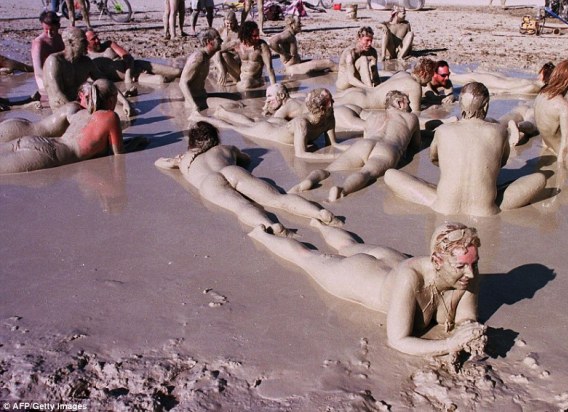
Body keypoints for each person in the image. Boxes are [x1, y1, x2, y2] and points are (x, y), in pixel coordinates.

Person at [248, 220, 487, 357]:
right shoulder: (410, 278)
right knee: (306, 256)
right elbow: (398, 340)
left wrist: (470, 332)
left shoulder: (467, 269)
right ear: (437, 261)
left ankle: (318, 224)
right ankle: (261, 234)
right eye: (461, 267)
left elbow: (466, 317)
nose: (470, 273)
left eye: (473, 264)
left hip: (390, 259)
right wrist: (448, 345)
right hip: (358, 275)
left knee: (348, 245)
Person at [384, 82, 545, 217]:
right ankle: (496, 191)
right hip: (486, 208)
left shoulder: (443, 130)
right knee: (540, 178)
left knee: (390, 174)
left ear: (460, 104)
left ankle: (444, 191)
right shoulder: (499, 131)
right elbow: (501, 163)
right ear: (486, 106)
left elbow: (434, 160)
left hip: (443, 204)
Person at [154, 121, 341, 235]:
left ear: (192, 142)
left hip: (209, 183)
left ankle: (271, 226)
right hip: (231, 170)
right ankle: (319, 214)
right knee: (278, 198)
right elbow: (247, 159)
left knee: (241, 207)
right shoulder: (225, 149)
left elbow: (159, 162)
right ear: (214, 138)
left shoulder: (185, 159)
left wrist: (178, 160)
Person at [291, 90, 421, 202]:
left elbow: (366, 135)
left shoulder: (372, 116)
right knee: (366, 173)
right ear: (399, 103)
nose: (409, 107)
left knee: (329, 170)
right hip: (387, 149)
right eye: (408, 103)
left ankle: (307, 182)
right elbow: (416, 145)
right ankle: (342, 190)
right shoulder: (411, 118)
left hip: (364, 144)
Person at [0, 79, 126, 174]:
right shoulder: (110, 117)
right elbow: (118, 154)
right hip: (49, 154)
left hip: (35, 140)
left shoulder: (81, 113)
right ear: (111, 100)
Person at [197, 88, 339, 159]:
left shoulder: (329, 118)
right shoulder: (302, 123)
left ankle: (223, 113)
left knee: (250, 122)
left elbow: (333, 144)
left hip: (281, 124)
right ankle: (199, 117)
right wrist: (331, 157)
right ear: (321, 108)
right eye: (329, 102)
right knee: (233, 127)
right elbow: (300, 154)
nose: (333, 104)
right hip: (267, 131)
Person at [43, 28, 133, 117]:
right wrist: (78, 114)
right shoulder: (54, 61)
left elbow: (106, 83)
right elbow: (58, 94)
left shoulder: (86, 62)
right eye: (83, 41)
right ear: (70, 43)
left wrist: (124, 101)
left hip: (82, 106)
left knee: (125, 113)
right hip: (62, 112)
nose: (87, 44)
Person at [86, 29, 182, 91]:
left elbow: (128, 57)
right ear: (86, 42)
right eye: (93, 39)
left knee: (177, 71)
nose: (97, 40)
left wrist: (128, 75)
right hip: (135, 77)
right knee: (161, 81)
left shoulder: (109, 44)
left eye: (97, 37)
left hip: (137, 66)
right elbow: (100, 81)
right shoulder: (88, 60)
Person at [334, 57, 436, 114]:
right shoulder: (415, 86)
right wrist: (431, 109)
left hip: (358, 92)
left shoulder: (403, 74)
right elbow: (415, 114)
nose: (431, 79)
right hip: (362, 102)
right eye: (431, 76)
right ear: (423, 73)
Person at [0, 82, 88, 143]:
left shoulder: (73, 107)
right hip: (13, 131)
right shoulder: (73, 107)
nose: (93, 102)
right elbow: (78, 125)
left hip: (15, 128)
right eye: (89, 98)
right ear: (81, 95)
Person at [180, 28, 242, 113]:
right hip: (195, 100)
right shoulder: (198, 57)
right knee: (235, 105)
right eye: (218, 39)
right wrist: (194, 106)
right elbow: (182, 83)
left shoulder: (207, 56)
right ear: (209, 42)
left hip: (202, 95)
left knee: (237, 96)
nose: (222, 41)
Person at [268, 16, 336, 76]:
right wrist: (283, 54)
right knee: (329, 63)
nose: (301, 25)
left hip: (296, 65)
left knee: (322, 65)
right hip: (293, 68)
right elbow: (271, 42)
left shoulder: (290, 35)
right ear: (292, 25)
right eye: (299, 23)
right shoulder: (287, 34)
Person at [450, 62, 554, 95]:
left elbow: (510, 92)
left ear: (544, 73)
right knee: (476, 75)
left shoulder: (534, 86)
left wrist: (494, 91)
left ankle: (450, 75)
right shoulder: (537, 83)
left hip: (499, 83)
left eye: (541, 71)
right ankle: (452, 75)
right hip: (503, 80)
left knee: (472, 77)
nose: (538, 73)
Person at [233, 21, 276, 90]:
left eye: (258, 35)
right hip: (240, 76)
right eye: (255, 36)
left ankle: (238, 85)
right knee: (224, 55)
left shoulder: (262, 46)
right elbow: (219, 49)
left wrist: (274, 87)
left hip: (254, 79)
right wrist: (221, 70)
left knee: (247, 84)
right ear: (246, 36)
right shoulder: (238, 44)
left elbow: (269, 68)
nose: (258, 38)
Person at [336, 27, 380, 91]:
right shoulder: (350, 53)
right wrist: (369, 88)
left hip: (358, 81)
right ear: (359, 39)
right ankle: (370, 90)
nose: (370, 43)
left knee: (366, 60)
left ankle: (369, 89)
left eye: (371, 40)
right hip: (343, 83)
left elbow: (375, 75)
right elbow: (350, 78)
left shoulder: (372, 52)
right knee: (363, 59)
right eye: (367, 40)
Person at [31, 11, 64, 94]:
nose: (49, 33)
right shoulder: (39, 43)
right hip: (44, 78)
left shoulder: (61, 39)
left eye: (52, 30)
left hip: (61, 74)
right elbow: (38, 71)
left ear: (58, 26)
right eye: (46, 30)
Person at [212, 9, 241, 86]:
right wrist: (220, 68)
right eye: (227, 23)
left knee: (224, 54)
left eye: (232, 23)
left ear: (235, 21)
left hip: (236, 62)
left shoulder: (239, 31)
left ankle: (235, 78)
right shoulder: (220, 30)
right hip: (222, 60)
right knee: (216, 52)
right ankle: (222, 72)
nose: (230, 26)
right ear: (224, 21)